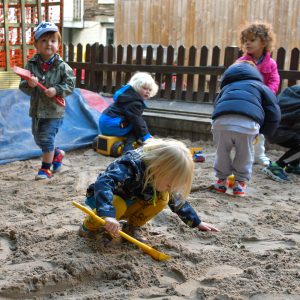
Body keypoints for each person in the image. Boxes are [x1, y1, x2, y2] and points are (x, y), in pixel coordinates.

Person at [78, 138, 219, 243]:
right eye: (170, 184)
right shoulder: (130, 166)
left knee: (163, 198)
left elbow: (176, 200)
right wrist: (108, 214)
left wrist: (196, 222)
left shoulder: (158, 176)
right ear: (159, 168)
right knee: (118, 204)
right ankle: (87, 228)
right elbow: (103, 183)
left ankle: (132, 227)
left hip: (130, 201)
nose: (171, 188)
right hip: (103, 199)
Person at [211, 61, 281, 197]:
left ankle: (221, 181)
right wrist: (264, 131)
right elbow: (273, 110)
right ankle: (239, 184)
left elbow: (217, 105)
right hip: (247, 125)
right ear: (255, 73)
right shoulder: (260, 86)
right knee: (245, 154)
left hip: (221, 123)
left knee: (222, 152)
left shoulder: (227, 87)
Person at [19, 22, 75, 180]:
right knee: (38, 138)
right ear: (36, 44)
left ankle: (45, 169)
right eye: (43, 41)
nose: (48, 44)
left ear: (58, 44)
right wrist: (29, 84)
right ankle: (57, 154)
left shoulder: (62, 67)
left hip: (54, 111)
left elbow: (70, 84)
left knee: (46, 138)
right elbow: (23, 85)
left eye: (52, 40)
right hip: (36, 110)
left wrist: (56, 90)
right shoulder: (31, 64)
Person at [238, 22, 280, 166]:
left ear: (263, 42)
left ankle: (259, 155)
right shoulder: (241, 62)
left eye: (252, 40)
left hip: (263, 101)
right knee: (246, 128)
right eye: (245, 41)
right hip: (247, 101)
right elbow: (238, 80)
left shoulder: (271, 64)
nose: (248, 43)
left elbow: (274, 80)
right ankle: (244, 154)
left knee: (260, 129)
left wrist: (267, 94)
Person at [99, 72, 158, 153]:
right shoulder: (134, 102)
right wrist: (146, 136)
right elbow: (137, 121)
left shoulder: (126, 96)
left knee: (132, 123)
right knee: (135, 129)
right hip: (114, 125)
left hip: (104, 124)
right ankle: (128, 150)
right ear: (136, 87)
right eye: (144, 88)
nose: (147, 91)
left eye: (149, 90)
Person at [263, 84, 300, 182]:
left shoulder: (293, 91)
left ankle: (293, 165)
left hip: (272, 127)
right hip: (279, 130)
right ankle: (277, 166)